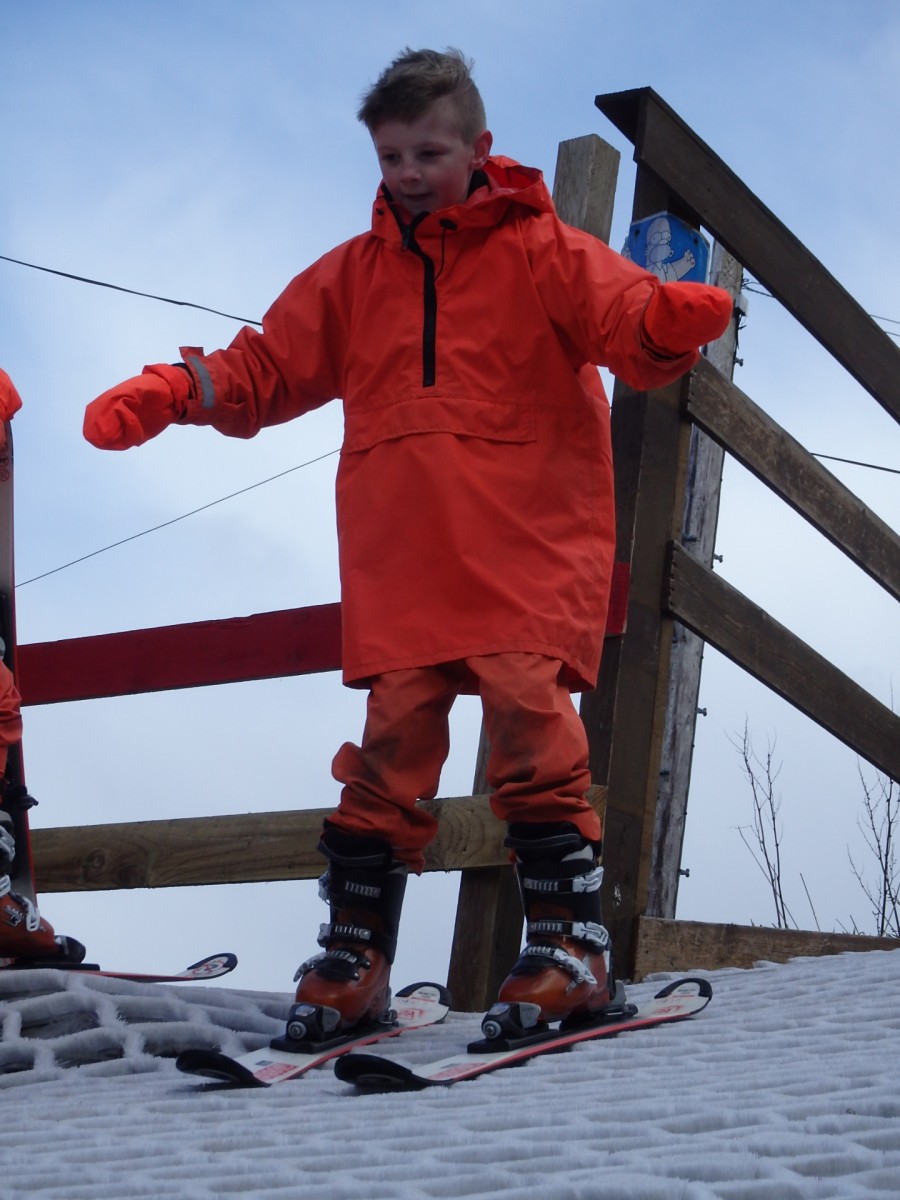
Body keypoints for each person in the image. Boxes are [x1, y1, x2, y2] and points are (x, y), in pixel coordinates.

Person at [83, 48, 732, 1032]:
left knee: (529, 719)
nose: (409, 174)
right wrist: (180, 388)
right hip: (405, 553)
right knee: (389, 745)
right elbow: (269, 364)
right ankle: (356, 958)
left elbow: (622, 316)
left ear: (478, 148)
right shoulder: (353, 278)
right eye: (391, 157)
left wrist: (662, 322)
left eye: (428, 153)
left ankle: (572, 945)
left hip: (527, 540)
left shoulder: (545, 252)